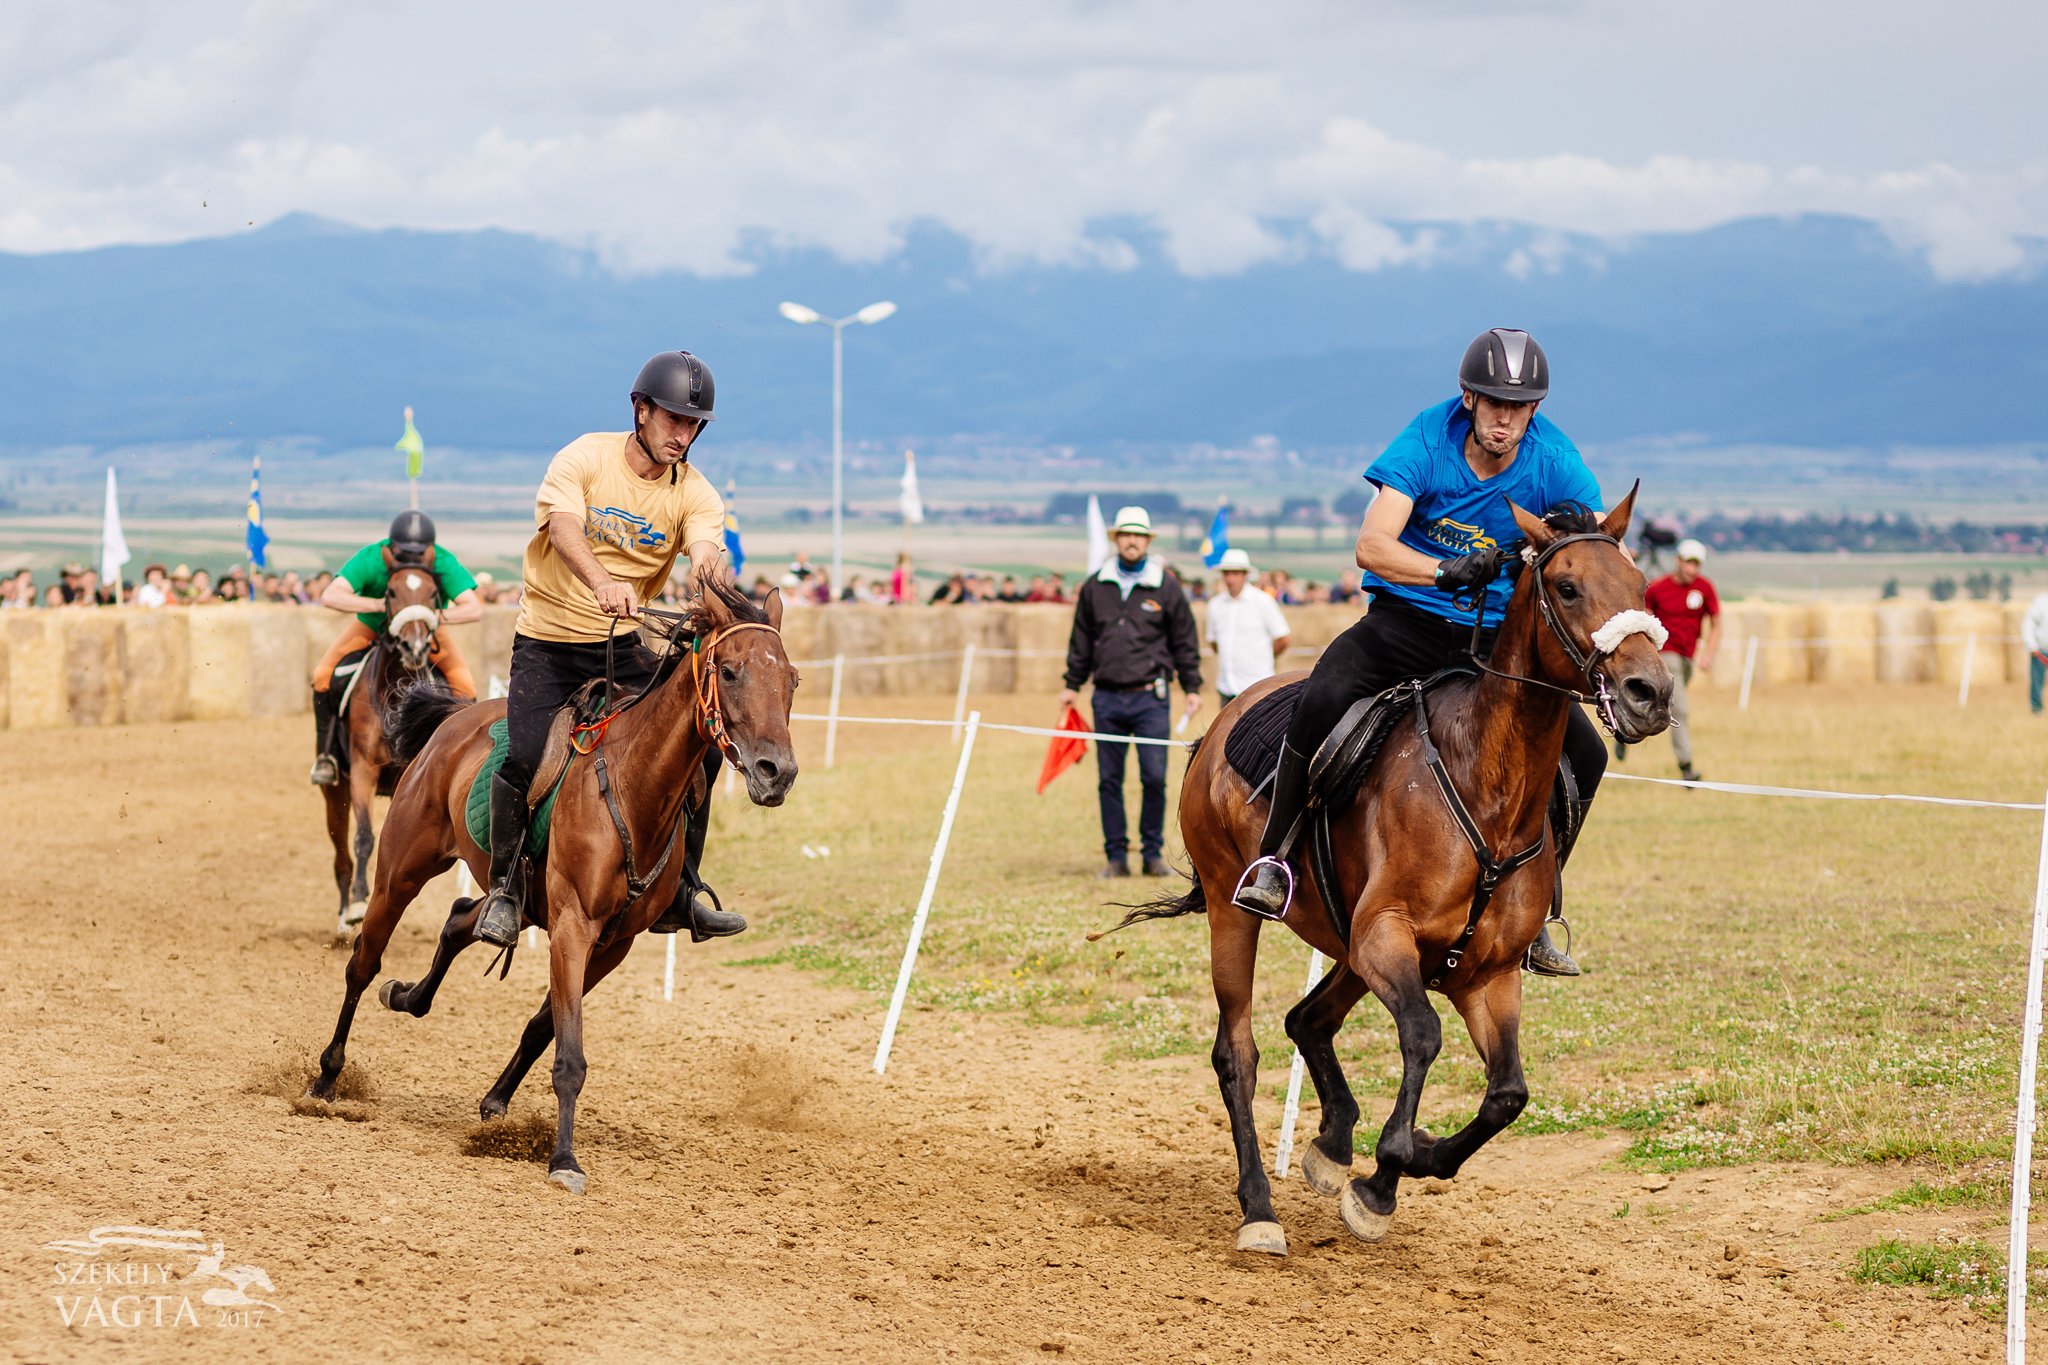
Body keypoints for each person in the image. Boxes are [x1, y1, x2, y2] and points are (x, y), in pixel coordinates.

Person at [1231, 328, 1605, 977]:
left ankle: (1538, 909)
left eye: (1520, 407)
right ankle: (1275, 858)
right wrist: (1443, 571)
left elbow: (1597, 553)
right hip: (1409, 619)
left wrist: (1581, 536)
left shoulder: (1556, 458)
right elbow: (1371, 545)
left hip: (1495, 641)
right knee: (1322, 695)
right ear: (1469, 397)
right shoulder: (1428, 438)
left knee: (1588, 753)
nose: (1505, 419)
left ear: (1536, 410)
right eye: (1495, 403)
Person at [473, 349, 745, 949]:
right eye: (673, 419)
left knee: (697, 746)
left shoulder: (696, 493)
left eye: (693, 424)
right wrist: (601, 581)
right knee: (523, 756)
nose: (683, 434)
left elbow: (706, 552)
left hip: (620, 647)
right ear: (641, 410)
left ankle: (683, 891)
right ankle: (504, 891)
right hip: (547, 643)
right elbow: (564, 527)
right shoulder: (584, 457)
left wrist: (712, 589)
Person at [1059, 506, 1203, 877]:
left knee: (1153, 777)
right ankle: (1116, 857)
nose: (1132, 541)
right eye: (1126, 534)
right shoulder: (1095, 586)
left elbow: (1184, 639)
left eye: (1138, 535)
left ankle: (1152, 854)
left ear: (1147, 541)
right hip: (1106, 697)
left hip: (1150, 698)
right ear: (1117, 539)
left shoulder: (1166, 586)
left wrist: (1191, 686)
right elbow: (1081, 640)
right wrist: (1072, 684)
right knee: (1109, 780)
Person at [307, 511, 485, 786]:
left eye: (419, 553)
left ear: (430, 550)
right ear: (391, 548)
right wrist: (380, 606)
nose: (411, 558)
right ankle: (327, 755)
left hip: (425, 631)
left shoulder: (443, 561)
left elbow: (473, 608)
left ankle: (462, 759)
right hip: (373, 625)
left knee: (465, 685)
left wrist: (426, 616)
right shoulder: (371, 557)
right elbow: (331, 595)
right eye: (403, 552)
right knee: (322, 675)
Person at [1637, 538, 1720, 780]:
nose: (1691, 569)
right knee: (1679, 709)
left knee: (1655, 705)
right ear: (1678, 560)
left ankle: (1626, 734)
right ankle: (1686, 765)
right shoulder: (1658, 588)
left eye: (1696, 564)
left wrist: (1708, 654)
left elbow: (1717, 623)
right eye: (1687, 562)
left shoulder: (1704, 588)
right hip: (1665, 654)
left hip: (1688, 656)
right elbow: (1644, 618)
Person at [1205, 548, 1292, 707]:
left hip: (1258, 687)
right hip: (1226, 687)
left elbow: (1283, 639)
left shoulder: (1263, 602)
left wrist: (1263, 657)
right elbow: (1213, 642)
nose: (1230, 578)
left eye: (1235, 573)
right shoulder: (1215, 605)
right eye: (1226, 573)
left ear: (1245, 574)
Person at [2025, 589, 2048, 715]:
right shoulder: (2041, 602)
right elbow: (2029, 624)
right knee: (2037, 680)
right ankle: (2036, 708)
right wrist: (2031, 645)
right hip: (2041, 651)